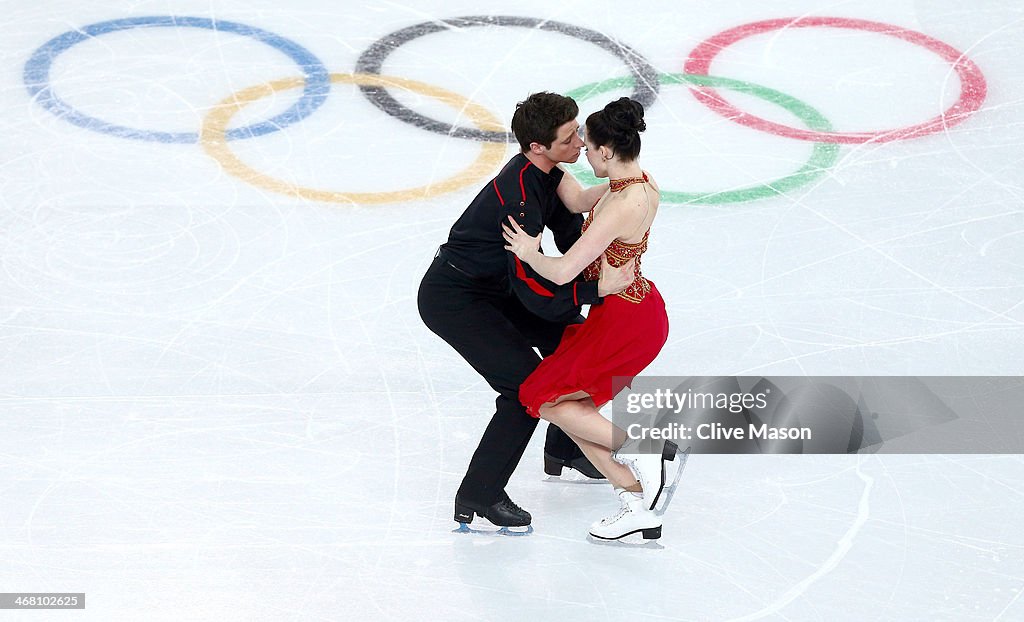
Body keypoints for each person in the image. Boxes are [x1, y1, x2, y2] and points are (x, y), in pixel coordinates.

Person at [417, 92, 636, 532]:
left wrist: (625, 189)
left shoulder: (547, 172)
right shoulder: (518, 203)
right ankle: (479, 494)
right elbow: (535, 290)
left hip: (497, 288)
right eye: (570, 137)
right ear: (537, 146)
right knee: (525, 393)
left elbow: (573, 216)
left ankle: (566, 449)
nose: (580, 142)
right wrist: (594, 288)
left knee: (574, 347)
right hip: (456, 298)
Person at [502, 97, 671, 540]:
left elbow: (562, 271)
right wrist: (542, 155)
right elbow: (577, 198)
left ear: (608, 152)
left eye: (588, 146)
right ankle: (635, 500)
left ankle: (645, 451)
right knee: (568, 408)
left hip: (626, 321)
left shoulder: (620, 205)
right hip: (630, 309)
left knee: (544, 397)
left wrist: (528, 253)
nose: (582, 149)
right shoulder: (638, 182)